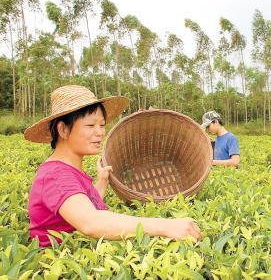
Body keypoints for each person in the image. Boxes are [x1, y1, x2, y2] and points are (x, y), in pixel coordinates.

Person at [25, 85, 201, 247]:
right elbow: (90, 222)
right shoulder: (56, 175)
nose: (100, 132)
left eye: (102, 125)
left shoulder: (68, 171)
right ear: (63, 130)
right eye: (90, 125)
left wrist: (101, 182)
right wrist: (164, 225)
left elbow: (84, 207)